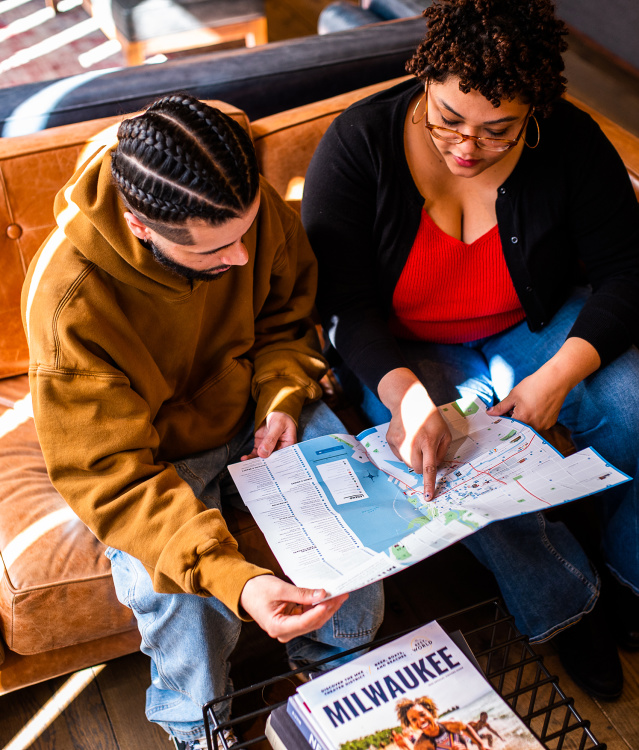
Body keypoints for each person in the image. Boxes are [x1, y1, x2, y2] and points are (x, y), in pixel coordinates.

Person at [21, 94, 384, 750]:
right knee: (181, 602)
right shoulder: (67, 301)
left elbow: (285, 322)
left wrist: (281, 397)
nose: (243, 257)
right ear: (139, 226)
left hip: (255, 406)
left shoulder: (241, 204)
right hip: (149, 457)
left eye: (246, 232)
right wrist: (237, 582)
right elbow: (116, 478)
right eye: (218, 248)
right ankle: (201, 729)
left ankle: (336, 675)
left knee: (353, 513)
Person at [302, 0, 639, 701]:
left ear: (533, 113)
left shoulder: (570, 141)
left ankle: (631, 579)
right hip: (407, 354)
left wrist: (556, 376)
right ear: (423, 78)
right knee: (452, 468)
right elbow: (341, 306)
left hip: (536, 323)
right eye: (447, 118)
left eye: (497, 131)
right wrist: (405, 397)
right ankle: (569, 608)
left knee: (634, 403)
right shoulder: (357, 144)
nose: (463, 147)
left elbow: (627, 272)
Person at [393, 696, 487, 750]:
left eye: (422, 714)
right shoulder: (421, 746)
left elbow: (465, 728)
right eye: (414, 720)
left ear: (431, 712)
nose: (421, 720)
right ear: (411, 725)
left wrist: (481, 744)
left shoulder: (452, 725)